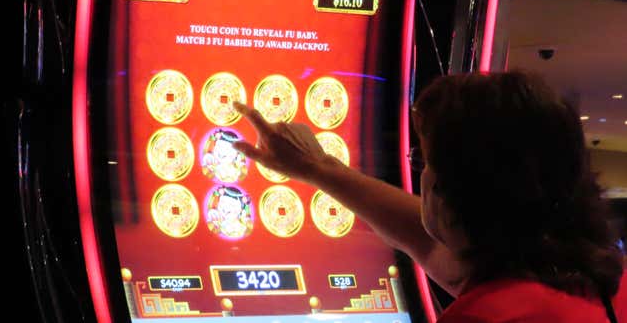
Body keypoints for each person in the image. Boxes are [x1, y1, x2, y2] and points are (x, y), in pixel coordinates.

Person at [232, 70, 626, 323]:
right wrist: (318, 168)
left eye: (426, 161)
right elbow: (428, 242)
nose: (425, 181)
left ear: (462, 192)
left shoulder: (485, 317)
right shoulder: (602, 282)